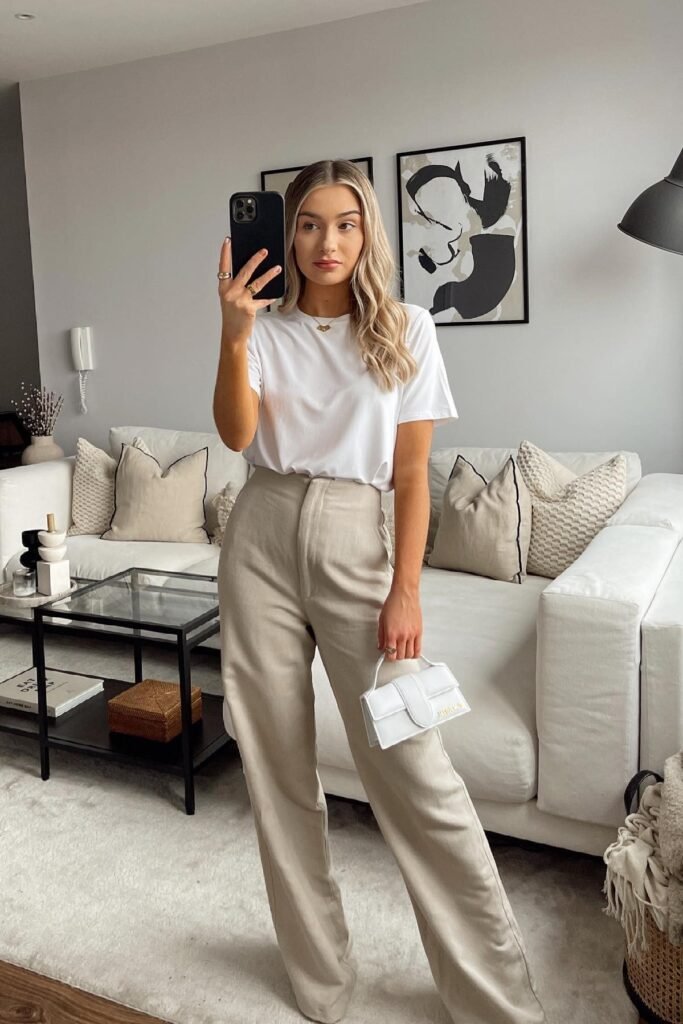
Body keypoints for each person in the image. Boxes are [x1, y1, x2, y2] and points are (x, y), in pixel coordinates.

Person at [212, 159, 548, 1024]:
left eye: (346, 224)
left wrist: (407, 590)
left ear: (368, 236)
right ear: (286, 235)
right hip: (260, 528)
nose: (328, 242)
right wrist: (233, 333)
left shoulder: (406, 326)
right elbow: (236, 433)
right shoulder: (264, 327)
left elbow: (410, 477)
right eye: (311, 224)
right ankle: (319, 979)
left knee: (411, 763)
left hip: (359, 538)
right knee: (275, 761)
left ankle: (494, 996)